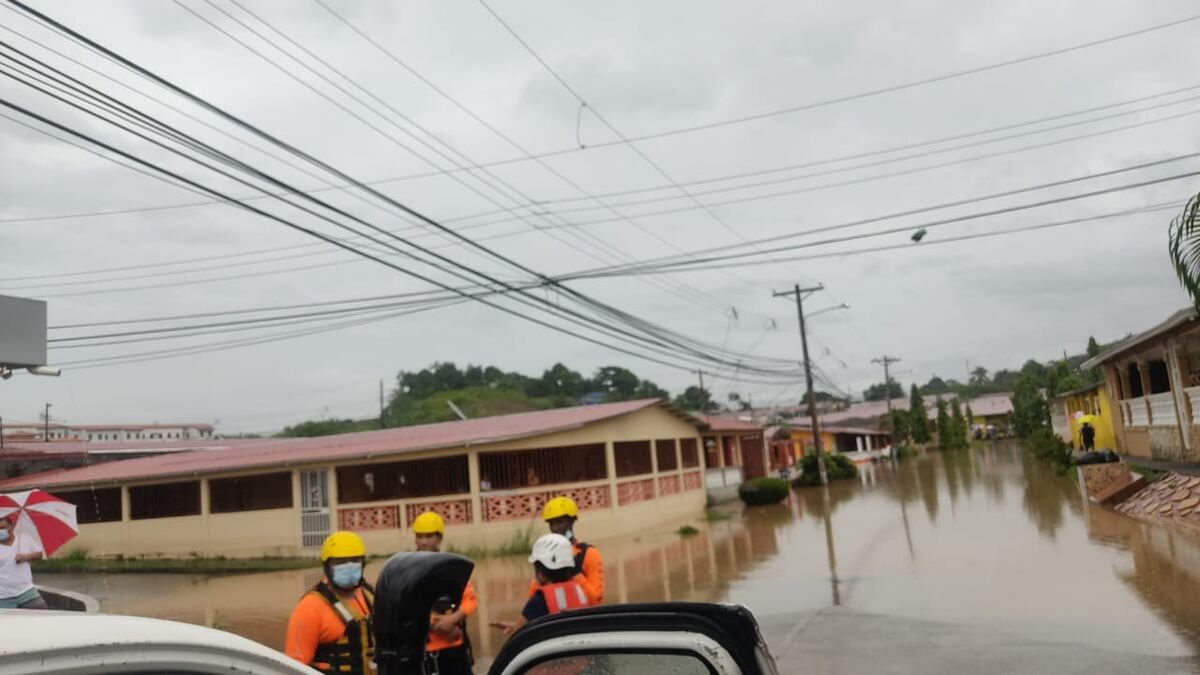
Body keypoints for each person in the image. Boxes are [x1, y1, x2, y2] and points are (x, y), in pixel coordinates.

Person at [285, 531, 374, 674]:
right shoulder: (310, 607)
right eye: (341, 562)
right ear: (327, 566)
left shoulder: (371, 596)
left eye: (355, 560)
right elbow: (294, 668)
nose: (349, 566)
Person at [412, 511, 476, 675]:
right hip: (423, 651)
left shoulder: (452, 568)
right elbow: (403, 606)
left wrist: (452, 619)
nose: (424, 542)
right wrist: (434, 623)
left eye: (429, 536)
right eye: (420, 536)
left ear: (439, 539)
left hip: (454, 648)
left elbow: (470, 600)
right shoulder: (409, 571)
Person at [491, 533, 591, 635]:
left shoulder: (539, 600)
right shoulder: (579, 591)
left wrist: (516, 628)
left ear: (541, 574)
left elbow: (519, 634)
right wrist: (516, 625)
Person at [525, 497, 604, 605]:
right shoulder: (546, 555)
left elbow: (595, 600)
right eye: (552, 524)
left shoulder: (589, 553)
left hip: (582, 616)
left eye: (560, 522)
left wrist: (575, 572)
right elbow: (532, 601)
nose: (555, 528)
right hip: (556, 618)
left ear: (572, 521)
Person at [0, 514, 46, 610]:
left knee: (42, 614)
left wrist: (26, 557)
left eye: (2, 528)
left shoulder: (25, 538)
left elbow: (40, 554)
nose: (0, 531)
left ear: (11, 527)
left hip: (26, 591)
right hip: (3, 596)